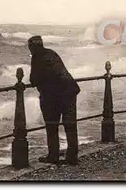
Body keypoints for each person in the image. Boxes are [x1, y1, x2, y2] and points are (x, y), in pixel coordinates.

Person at [28, 35, 81, 165]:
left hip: (53, 96)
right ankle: (72, 157)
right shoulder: (52, 53)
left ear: (32, 47)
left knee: (52, 126)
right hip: (69, 90)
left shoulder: (37, 57)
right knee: (70, 125)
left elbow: (33, 80)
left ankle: (53, 156)